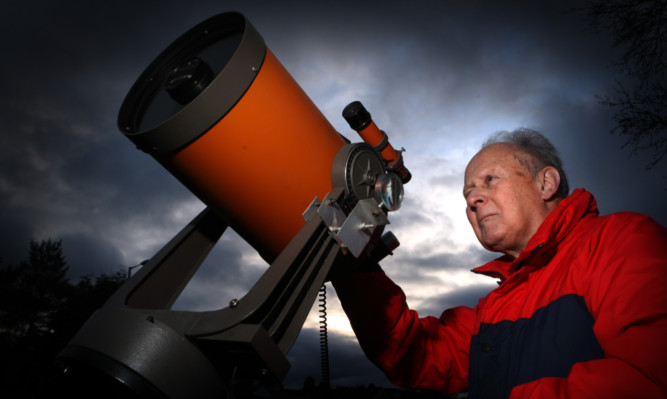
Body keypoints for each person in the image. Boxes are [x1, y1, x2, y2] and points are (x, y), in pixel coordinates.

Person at [331, 129, 667, 398]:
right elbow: (418, 356)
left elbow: (648, 378)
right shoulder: (494, 308)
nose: (473, 199)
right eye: (468, 194)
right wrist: (357, 269)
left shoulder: (623, 240)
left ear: (545, 184)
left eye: (491, 179)